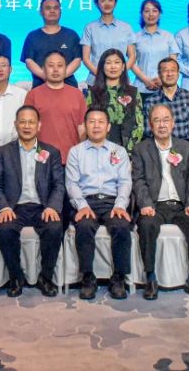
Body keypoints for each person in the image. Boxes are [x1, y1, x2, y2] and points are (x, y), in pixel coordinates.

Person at [132, 104, 189, 300]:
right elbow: (138, 180)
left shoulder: (186, 148)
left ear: (173, 123)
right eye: (157, 120)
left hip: (181, 205)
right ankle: (150, 277)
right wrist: (145, 204)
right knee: (146, 225)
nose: (162, 125)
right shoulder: (141, 149)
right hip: (155, 206)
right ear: (150, 125)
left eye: (166, 120)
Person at [0, 105, 65, 298]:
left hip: (42, 206)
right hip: (14, 207)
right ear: (15, 124)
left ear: (39, 125)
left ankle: (46, 278)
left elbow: (59, 184)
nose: (27, 126)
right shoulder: (3, 152)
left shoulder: (51, 152)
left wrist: (52, 206)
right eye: (22, 122)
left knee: (54, 227)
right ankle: (16, 278)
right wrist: (4, 207)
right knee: (5, 229)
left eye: (31, 122)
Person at [65, 107, 134, 300]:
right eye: (92, 122)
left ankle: (119, 278)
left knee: (121, 226)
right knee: (84, 226)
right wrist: (82, 206)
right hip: (87, 201)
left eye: (101, 122)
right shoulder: (75, 152)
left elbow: (125, 182)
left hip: (112, 202)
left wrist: (120, 205)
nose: (96, 126)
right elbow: (72, 183)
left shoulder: (119, 151)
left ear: (108, 126)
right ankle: (88, 278)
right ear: (85, 126)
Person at [25, 51, 87, 163]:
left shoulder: (77, 94)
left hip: (71, 158)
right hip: (42, 159)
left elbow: (82, 128)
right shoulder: (33, 95)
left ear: (66, 68)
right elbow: (27, 128)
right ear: (43, 69)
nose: (55, 69)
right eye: (50, 66)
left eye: (60, 65)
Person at [85, 49, 146, 150]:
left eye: (117, 62)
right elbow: (88, 124)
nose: (113, 66)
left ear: (123, 67)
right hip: (99, 149)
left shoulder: (133, 92)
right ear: (102, 67)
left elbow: (139, 125)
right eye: (108, 63)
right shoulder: (92, 93)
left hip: (128, 149)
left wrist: (128, 151)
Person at [21, 0, 83, 88]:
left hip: (68, 87)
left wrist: (60, 77)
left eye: (56, 8)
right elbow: (29, 61)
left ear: (60, 11)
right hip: (41, 87)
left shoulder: (71, 35)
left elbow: (77, 60)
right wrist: (46, 76)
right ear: (41, 12)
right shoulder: (32, 36)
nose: (52, 11)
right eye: (48, 8)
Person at [141, 58, 189, 145]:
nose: (169, 74)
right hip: (160, 147)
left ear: (178, 73)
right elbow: (148, 132)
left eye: (173, 70)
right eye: (165, 71)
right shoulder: (151, 101)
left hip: (187, 147)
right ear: (159, 74)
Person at [81, 0, 137, 85]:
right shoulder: (90, 28)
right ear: (96, 4)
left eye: (110, 0)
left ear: (115, 3)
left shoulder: (126, 27)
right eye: (103, 0)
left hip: (121, 82)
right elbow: (85, 58)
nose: (107, 4)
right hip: (95, 81)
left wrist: (120, 74)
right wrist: (100, 75)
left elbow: (132, 56)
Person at [131, 0, 180, 98]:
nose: (151, 14)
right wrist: (145, 80)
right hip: (141, 88)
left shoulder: (168, 36)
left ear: (160, 14)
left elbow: (174, 62)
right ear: (141, 14)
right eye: (147, 11)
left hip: (165, 87)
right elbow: (131, 63)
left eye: (154, 11)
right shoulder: (135, 37)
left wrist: (162, 78)